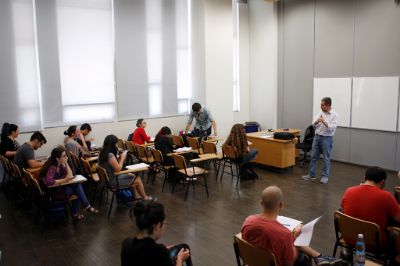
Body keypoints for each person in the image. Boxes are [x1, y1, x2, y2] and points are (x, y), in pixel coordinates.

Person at [241, 186, 341, 266]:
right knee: (303, 257)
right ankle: (319, 257)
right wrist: (296, 243)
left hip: (253, 261)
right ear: (281, 205)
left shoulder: (248, 221)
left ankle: (319, 256)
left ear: (261, 203)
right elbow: (289, 263)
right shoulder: (284, 235)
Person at [341, 166, 400, 246]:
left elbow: (343, 209)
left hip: (348, 238)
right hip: (375, 245)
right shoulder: (386, 196)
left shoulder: (349, 190)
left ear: (365, 178)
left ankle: (346, 251)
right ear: (382, 182)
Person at [121, 201, 192, 266]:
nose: (164, 228)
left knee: (183, 246)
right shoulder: (159, 252)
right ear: (157, 226)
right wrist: (180, 260)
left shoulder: (126, 244)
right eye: (164, 224)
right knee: (184, 248)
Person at [39, 147, 98, 221]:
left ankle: (84, 208)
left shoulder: (60, 165)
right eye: (64, 156)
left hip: (58, 188)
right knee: (77, 190)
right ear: (57, 158)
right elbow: (49, 181)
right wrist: (65, 179)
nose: (66, 157)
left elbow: (70, 176)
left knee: (77, 187)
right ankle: (82, 209)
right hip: (53, 192)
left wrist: (66, 163)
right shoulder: (52, 167)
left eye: (66, 155)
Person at [99, 134, 151, 201]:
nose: (117, 146)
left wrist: (119, 158)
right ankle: (145, 197)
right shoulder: (110, 155)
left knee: (131, 175)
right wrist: (122, 158)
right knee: (137, 179)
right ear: (112, 144)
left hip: (106, 180)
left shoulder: (102, 152)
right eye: (116, 144)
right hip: (112, 181)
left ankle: (136, 196)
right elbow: (118, 169)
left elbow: (113, 166)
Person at [302, 97, 338, 184]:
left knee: (326, 158)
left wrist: (324, 122)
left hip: (327, 138)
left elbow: (332, 128)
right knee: (313, 157)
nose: (321, 106)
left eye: (322, 105)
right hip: (317, 137)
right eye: (321, 105)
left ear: (328, 105)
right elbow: (313, 124)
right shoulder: (320, 113)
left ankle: (325, 177)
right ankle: (311, 175)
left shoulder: (334, 115)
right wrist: (317, 121)